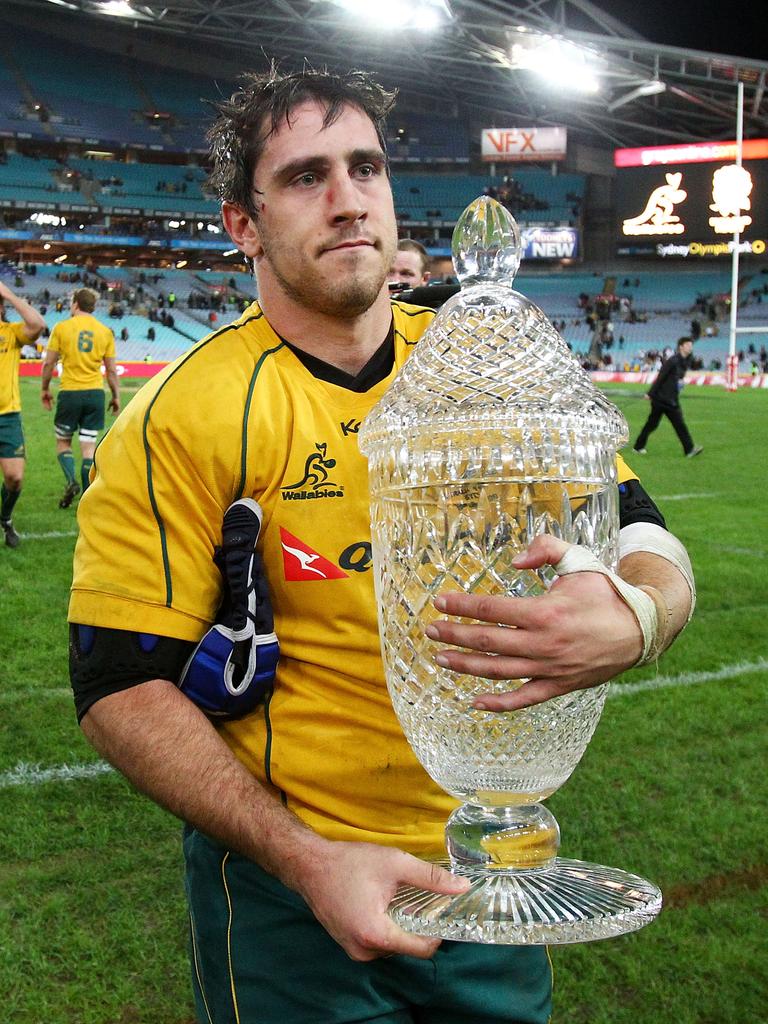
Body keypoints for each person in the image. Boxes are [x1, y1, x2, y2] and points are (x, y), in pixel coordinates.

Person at [67, 68, 695, 1024]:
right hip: (295, 900)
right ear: (245, 223)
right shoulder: (182, 414)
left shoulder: (478, 362)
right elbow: (115, 683)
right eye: (306, 177)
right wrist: (309, 862)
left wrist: (642, 614)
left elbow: (645, 532)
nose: (350, 200)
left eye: (366, 168)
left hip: (495, 879)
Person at [41, 288, 120, 508]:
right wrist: (115, 397)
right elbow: (112, 371)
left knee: (63, 442)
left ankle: (71, 481)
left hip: (70, 393)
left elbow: (48, 363)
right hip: (95, 394)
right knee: (88, 447)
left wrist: (44, 389)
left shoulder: (62, 328)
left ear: (75, 304)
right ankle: (86, 499)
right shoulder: (105, 331)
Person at [0, 281, 45, 547]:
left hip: (8, 417)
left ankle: (5, 517)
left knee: (15, 478)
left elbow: (37, 324)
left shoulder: (12, 332)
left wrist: (8, 293)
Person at [633, 336, 703, 458]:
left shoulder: (684, 361)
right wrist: (650, 393)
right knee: (672, 424)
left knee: (656, 425)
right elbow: (661, 377)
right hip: (663, 399)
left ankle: (638, 446)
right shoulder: (673, 361)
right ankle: (689, 449)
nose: (690, 347)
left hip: (670, 398)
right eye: (688, 345)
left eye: (691, 345)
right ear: (681, 346)